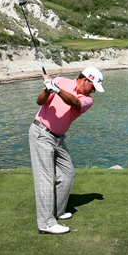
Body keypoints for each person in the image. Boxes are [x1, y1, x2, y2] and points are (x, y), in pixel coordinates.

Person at [28, 66, 104, 234]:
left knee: (67, 172)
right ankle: (46, 223)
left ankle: (56, 211)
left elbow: (73, 102)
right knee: (45, 178)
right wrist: (48, 89)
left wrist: (56, 89)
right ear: (86, 80)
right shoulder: (61, 81)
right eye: (93, 87)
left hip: (58, 138)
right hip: (41, 133)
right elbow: (39, 101)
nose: (94, 92)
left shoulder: (87, 100)